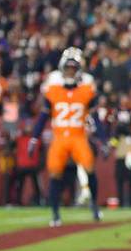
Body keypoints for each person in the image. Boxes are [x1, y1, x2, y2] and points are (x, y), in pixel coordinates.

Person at [29, 47, 103, 226]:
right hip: (60, 136)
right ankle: (55, 213)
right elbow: (43, 116)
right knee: (55, 173)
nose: (70, 71)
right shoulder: (53, 88)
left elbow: (94, 117)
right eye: (68, 68)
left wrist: (103, 139)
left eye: (73, 68)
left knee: (89, 168)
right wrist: (34, 138)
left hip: (78, 136)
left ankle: (94, 204)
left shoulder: (86, 88)